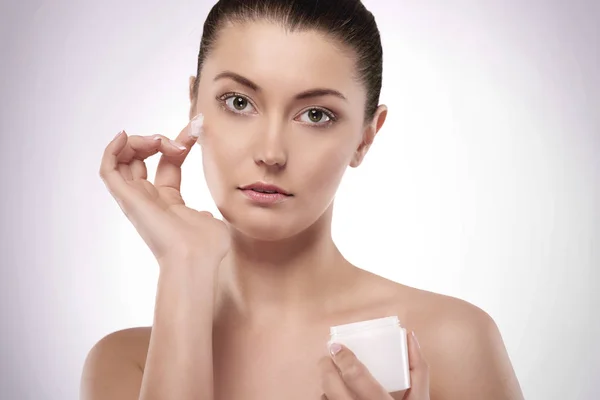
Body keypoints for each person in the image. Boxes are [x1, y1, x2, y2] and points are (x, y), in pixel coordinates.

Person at [80, 0, 525, 399]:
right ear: (194, 103)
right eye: (238, 102)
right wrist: (184, 262)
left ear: (366, 137)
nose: (271, 153)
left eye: (316, 115)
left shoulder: (446, 343)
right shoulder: (125, 363)